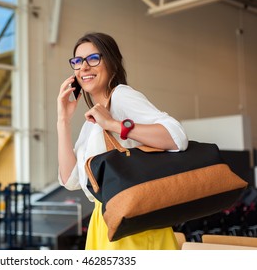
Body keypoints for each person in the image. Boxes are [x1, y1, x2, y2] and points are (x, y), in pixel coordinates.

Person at [57, 32, 189, 250]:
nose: (84, 67)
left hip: (133, 223)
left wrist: (115, 125)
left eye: (93, 59)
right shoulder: (92, 121)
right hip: (103, 222)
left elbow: (176, 136)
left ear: (112, 64)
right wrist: (63, 120)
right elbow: (71, 180)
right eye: (78, 61)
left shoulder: (121, 96)